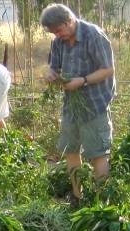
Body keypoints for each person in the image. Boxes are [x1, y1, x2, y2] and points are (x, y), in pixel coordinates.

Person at [41, 4, 115, 203]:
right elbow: (54, 66)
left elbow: (108, 70)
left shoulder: (94, 36)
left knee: (98, 154)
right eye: (53, 32)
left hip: (95, 105)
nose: (57, 35)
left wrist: (82, 81)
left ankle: (102, 204)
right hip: (71, 106)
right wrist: (51, 74)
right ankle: (77, 197)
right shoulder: (58, 41)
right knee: (71, 151)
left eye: (59, 30)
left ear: (69, 21)